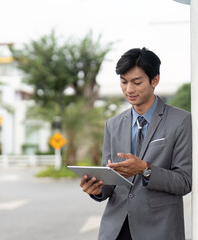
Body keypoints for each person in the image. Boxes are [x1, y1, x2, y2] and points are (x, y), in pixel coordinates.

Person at [79, 47, 192, 240]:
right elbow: (111, 180)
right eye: (124, 82)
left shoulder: (181, 121)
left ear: (155, 80)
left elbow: (184, 182)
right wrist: (97, 189)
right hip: (115, 230)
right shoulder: (112, 125)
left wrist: (145, 169)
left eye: (136, 82)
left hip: (159, 229)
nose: (129, 89)